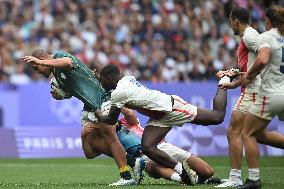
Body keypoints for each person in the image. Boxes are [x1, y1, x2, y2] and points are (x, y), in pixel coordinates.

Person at [95, 63, 230, 185]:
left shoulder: (118, 93)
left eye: (102, 81)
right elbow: (115, 92)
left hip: (171, 108)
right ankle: (182, 171)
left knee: (217, 117)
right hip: (159, 116)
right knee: (147, 147)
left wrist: (98, 113)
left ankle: (224, 79)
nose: (102, 84)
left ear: (109, 78)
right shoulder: (127, 79)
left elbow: (111, 120)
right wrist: (99, 79)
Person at [22, 50, 136, 186]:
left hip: (101, 99)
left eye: (37, 67)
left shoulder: (59, 56)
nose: (38, 70)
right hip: (91, 107)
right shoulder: (58, 76)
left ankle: (126, 175)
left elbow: (68, 62)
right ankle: (134, 161)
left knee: (110, 138)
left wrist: (41, 62)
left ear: (42, 59)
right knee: (90, 148)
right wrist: (61, 95)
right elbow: (74, 89)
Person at [94, 101, 221, 185]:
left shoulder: (127, 121)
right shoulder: (109, 137)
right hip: (143, 158)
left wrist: (116, 101)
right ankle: (184, 178)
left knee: (208, 172)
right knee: (154, 167)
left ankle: (199, 180)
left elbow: (130, 113)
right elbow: (91, 150)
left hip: (161, 146)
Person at [238, 6, 284, 189]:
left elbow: (263, 58)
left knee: (247, 133)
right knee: (257, 133)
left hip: (271, 94)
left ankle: (254, 179)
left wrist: (250, 73)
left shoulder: (267, 37)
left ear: (268, 21)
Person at [215, 7, 261, 188]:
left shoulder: (249, 35)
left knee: (233, 130)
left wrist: (233, 84)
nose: (230, 25)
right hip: (251, 89)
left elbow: (266, 57)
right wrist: (233, 73)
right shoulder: (246, 37)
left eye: (230, 21)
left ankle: (235, 178)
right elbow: (253, 64)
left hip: (252, 90)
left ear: (235, 20)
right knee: (258, 135)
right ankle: (236, 177)